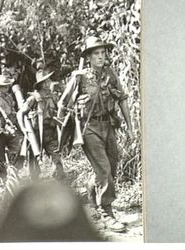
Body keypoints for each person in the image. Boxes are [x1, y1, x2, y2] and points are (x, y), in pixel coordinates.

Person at [58, 36, 134, 232]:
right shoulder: (79, 77)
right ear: (89, 57)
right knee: (104, 170)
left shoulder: (110, 75)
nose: (101, 57)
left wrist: (130, 126)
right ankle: (106, 213)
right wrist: (65, 130)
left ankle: (92, 192)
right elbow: (62, 104)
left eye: (103, 53)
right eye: (96, 54)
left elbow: (123, 99)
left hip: (108, 126)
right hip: (88, 129)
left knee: (111, 167)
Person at [17, 69, 65, 180]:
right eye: (46, 81)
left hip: (50, 133)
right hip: (35, 134)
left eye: (49, 80)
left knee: (57, 161)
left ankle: (58, 185)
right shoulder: (33, 98)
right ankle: (35, 187)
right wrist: (24, 129)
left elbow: (61, 112)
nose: (49, 83)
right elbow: (20, 113)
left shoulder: (54, 97)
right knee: (33, 164)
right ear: (41, 85)